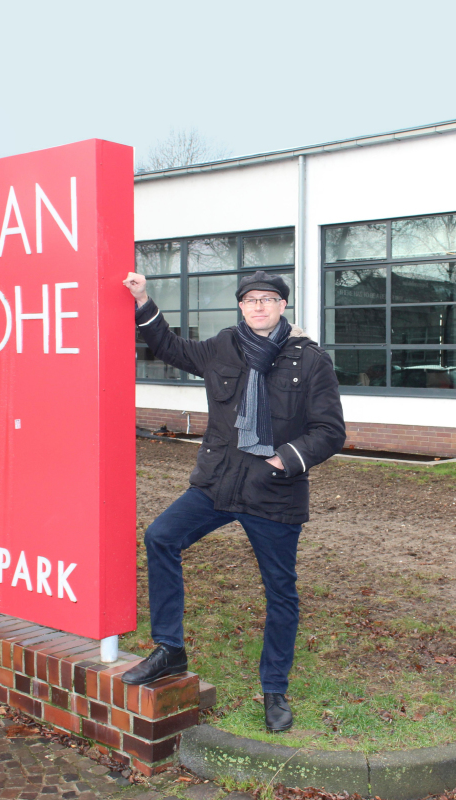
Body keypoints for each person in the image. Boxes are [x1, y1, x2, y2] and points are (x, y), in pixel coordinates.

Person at [120, 269, 346, 733]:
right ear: (241, 306)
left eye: (268, 299)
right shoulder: (223, 346)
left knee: (280, 592)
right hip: (217, 486)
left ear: (283, 306)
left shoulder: (311, 360)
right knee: (161, 537)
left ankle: (274, 689)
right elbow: (169, 347)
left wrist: (285, 460)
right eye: (250, 300)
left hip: (273, 494)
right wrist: (143, 300)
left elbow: (330, 431)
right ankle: (169, 649)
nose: (259, 306)